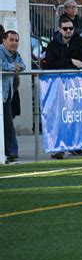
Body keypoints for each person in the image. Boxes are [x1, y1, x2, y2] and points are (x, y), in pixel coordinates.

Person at [45, 19, 82, 158]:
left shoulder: (80, 42)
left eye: (70, 28)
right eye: (65, 28)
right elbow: (50, 64)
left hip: (75, 86)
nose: (68, 31)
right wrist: (70, 61)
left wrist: (67, 62)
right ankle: (58, 147)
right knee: (58, 117)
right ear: (60, 29)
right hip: (56, 87)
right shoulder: (52, 45)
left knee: (75, 116)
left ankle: (74, 145)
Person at [1, 31, 26, 164]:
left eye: (16, 40)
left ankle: (10, 152)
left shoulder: (15, 54)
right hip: (2, 94)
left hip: (6, 95)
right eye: (11, 40)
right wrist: (12, 67)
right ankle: (9, 152)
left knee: (8, 124)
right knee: (7, 124)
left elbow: (23, 65)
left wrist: (15, 67)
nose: (14, 43)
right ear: (4, 40)